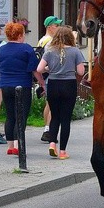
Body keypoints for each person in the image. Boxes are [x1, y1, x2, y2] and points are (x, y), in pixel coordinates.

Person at [36, 26, 85, 160]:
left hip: (53, 84)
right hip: (68, 85)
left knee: (55, 116)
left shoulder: (50, 51)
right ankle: (63, 151)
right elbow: (81, 72)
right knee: (65, 119)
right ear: (70, 37)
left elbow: (39, 69)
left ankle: (52, 144)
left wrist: (49, 68)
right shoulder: (75, 51)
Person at [0, 22, 45, 155]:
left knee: (10, 115)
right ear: (19, 35)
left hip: (5, 85)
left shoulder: (2, 49)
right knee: (21, 115)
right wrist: (42, 83)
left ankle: (10, 146)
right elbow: (34, 70)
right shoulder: (26, 49)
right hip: (22, 86)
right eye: (23, 34)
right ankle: (19, 145)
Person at [36, 15, 63, 143]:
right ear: (49, 27)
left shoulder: (42, 40)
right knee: (54, 105)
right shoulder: (51, 42)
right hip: (51, 74)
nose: (58, 28)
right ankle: (48, 130)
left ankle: (46, 128)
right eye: (56, 25)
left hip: (45, 75)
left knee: (48, 103)